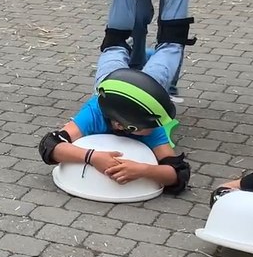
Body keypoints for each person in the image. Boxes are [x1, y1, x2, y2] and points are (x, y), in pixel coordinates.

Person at [37, 47, 189, 196]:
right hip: (110, 86)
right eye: (148, 126)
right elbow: (49, 144)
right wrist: (92, 157)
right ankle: (118, 42)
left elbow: (178, 173)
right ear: (122, 125)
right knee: (113, 55)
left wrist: (143, 170)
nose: (157, 127)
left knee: (159, 71)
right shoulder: (93, 114)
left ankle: (170, 43)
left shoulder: (152, 125)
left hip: (136, 88)